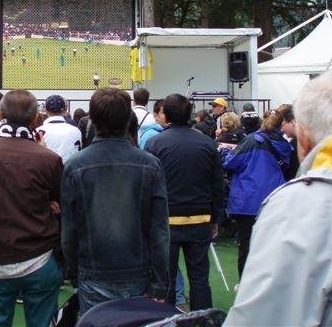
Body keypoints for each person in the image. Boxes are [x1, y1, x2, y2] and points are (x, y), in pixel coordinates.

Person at [224, 71, 332, 326]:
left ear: (303, 136)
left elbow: (264, 315)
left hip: (252, 201)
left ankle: (243, 281)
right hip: (267, 194)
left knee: (247, 248)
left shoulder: (301, 203)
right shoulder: (281, 148)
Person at [61, 88, 169, 314]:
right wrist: (159, 282)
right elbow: (159, 230)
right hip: (137, 270)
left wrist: (73, 272)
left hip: (93, 269)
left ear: (94, 120)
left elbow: (69, 229)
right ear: (127, 118)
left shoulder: (75, 166)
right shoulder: (149, 164)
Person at [0, 89, 63, 327]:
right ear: (35, 119)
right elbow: (58, 201)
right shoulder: (48, 159)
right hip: (39, 256)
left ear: (0, 115)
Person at [145, 94, 224, 310]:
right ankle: (203, 320)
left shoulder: (154, 144)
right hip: (200, 220)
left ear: (166, 114)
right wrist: (215, 218)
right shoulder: (206, 143)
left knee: (166, 279)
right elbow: (217, 185)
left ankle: (165, 321)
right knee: (199, 278)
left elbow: (147, 188)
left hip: (165, 223)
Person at [223, 109, 292, 279]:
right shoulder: (285, 145)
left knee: (246, 245)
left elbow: (231, 162)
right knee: (271, 247)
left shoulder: (253, 140)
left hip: (248, 200)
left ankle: (246, 286)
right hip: (274, 200)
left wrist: (224, 152)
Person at [38, 95, 82, 163]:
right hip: (70, 171)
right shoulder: (76, 131)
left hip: (47, 171)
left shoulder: (37, 132)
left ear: (46, 111)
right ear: (65, 111)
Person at [277, 103, 300, 180]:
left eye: (282, 125)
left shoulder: (298, 144)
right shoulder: (295, 142)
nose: (281, 129)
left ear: (292, 122)